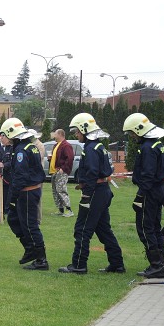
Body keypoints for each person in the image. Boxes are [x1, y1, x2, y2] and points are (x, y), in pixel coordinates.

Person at [58, 113, 125, 274]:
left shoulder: (90, 149)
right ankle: (117, 263)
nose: (76, 134)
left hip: (95, 192)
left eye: (77, 131)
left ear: (84, 130)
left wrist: (86, 194)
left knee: (82, 229)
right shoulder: (98, 146)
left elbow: (93, 172)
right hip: (102, 191)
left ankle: (79, 264)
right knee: (103, 230)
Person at [123, 112, 164, 278]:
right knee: (155, 227)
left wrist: (140, 196)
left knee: (145, 228)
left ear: (139, 130)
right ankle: (161, 263)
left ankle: (156, 264)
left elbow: (148, 175)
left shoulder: (147, 148)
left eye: (132, 133)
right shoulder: (158, 144)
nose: (132, 136)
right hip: (159, 190)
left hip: (150, 192)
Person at [0, 118, 48, 270]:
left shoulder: (21, 150)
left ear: (12, 134)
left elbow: (20, 176)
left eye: (3, 135)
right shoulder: (28, 147)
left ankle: (41, 259)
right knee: (14, 220)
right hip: (29, 190)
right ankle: (30, 250)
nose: (1, 138)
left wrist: (12, 199)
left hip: (27, 192)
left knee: (30, 225)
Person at [49, 129, 74, 217]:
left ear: (60, 134)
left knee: (61, 189)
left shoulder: (66, 145)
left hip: (61, 172)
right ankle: (60, 209)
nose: (54, 136)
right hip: (54, 172)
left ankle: (69, 209)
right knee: (55, 191)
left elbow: (70, 158)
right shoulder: (56, 145)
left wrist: (63, 168)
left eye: (55, 134)